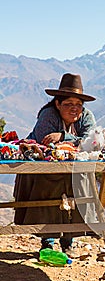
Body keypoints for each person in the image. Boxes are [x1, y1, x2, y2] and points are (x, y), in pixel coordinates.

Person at [13, 73, 97, 257]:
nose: (74, 109)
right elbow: (46, 143)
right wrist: (74, 141)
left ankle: (69, 240)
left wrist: (63, 137)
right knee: (48, 190)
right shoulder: (47, 115)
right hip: (45, 168)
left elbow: (92, 141)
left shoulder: (86, 117)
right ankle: (48, 241)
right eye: (68, 104)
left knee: (77, 188)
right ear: (57, 104)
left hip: (74, 169)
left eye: (78, 105)